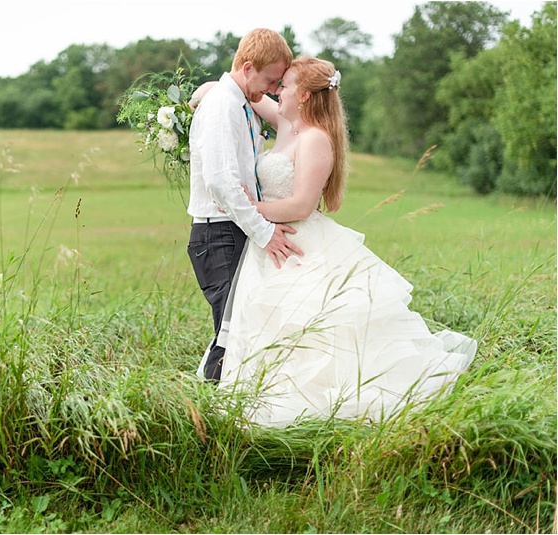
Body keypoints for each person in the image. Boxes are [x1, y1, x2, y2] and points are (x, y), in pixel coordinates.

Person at [197, 56, 477, 426]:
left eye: (287, 85)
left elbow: (302, 204)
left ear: (307, 97)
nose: (278, 89)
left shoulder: (316, 140)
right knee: (270, 323)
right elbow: (239, 93)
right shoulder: (284, 121)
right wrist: (206, 91)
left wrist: (250, 207)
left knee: (313, 325)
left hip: (298, 238)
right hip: (268, 241)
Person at [187, 28, 303, 382]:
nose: (271, 89)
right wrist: (265, 233)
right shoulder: (223, 105)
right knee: (230, 334)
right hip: (219, 234)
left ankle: (223, 409)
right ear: (249, 67)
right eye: (270, 80)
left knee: (239, 330)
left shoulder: (238, 102)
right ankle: (210, 410)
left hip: (232, 229)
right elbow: (220, 182)